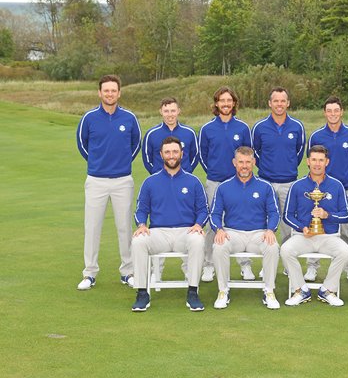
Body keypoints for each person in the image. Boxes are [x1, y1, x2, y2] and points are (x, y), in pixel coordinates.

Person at [76, 74, 141, 290]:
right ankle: (90, 273)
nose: (110, 94)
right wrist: (98, 164)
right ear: (100, 93)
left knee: (124, 227)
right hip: (96, 180)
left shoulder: (129, 118)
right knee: (92, 227)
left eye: (114, 90)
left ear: (119, 93)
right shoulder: (89, 118)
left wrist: (120, 164)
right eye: (106, 90)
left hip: (123, 180)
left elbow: (135, 145)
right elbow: (82, 144)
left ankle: (127, 271)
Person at [130, 136, 209, 312]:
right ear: (161, 154)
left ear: (182, 154)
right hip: (159, 233)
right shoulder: (150, 182)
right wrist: (142, 224)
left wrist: (198, 225)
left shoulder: (193, 181)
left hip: (185, 232)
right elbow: (141, 209)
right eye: (167, 152)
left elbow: (203, 209)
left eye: (175, 151)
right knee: (138, 241)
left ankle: (193, 292)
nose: (171, 155)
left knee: (197, 240)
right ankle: (142, 292)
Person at [210, 146, 281, 310]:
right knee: (219, 246)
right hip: (232, 233)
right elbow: (214, 213)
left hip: (258, 234)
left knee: (272, 246)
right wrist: (219, 229)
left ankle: (269, 291)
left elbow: (274, 213)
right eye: (241, 162)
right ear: (234, 163)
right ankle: (223, 291)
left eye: (248, 162)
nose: (244, 166)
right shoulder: (223, 187)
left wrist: (270, 230)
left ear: (254, 163)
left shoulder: (265, 186)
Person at [280, 145, 348, 307]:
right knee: (285, 250)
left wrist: (328, 216)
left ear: (327, 162)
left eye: (321, 160)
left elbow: (346, 216)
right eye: (314, 160)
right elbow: (287, 215)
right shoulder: (297, 186)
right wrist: (302, 228)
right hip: (303, 236)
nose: (317, 164)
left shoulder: (337, 185)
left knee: (345, 251)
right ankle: (300, 289)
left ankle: (327, 290)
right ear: (308, 161)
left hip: (329, 236)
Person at [306, 96, 348, 284]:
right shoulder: (316, 136)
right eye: (329, 111)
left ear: (341, 112)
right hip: (319, 189)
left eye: (336, 110)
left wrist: (342, 178)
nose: (332, 114)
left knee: (347, 231)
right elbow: (312, 162)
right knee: (316, 227)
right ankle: (312, 267)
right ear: (324, 113)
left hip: (346, 190)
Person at [198, 86, 253, 282]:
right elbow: (203, 156)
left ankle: (245, 264)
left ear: (234, 104)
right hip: (214, 181)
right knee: (214, 224)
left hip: (240, 183)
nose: (226, 104)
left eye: (229, 101)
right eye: (222, 101)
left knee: (242, 221)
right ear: (216, 104)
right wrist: (214, 172)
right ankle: (209, 264)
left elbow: (248, 156)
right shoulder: (207, 128)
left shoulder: (243, 128)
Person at [252, 87, 306, 247]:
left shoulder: (297, 126)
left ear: (288, 103)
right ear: (270, 103)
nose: (279, 104)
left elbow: (299, 151)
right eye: (276, 101)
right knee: (264, 223)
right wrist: (267, 167)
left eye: (283, 101)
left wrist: (286, 167)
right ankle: (266, 263)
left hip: (289, 183)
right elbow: (255, 151)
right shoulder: (259, 127)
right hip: (265, 182)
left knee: (288, 225)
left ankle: (288, 263)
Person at [142, 97, 198, 174]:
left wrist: (186, 172)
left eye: (173, 111)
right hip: (160, 181)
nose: (170, 114)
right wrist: (157, 174)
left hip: (183, 179)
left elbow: (195, 156)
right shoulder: (151, 134)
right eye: (166, 111)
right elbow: (147, 159)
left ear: (178, 111)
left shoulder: (189, 132)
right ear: (160, 112)